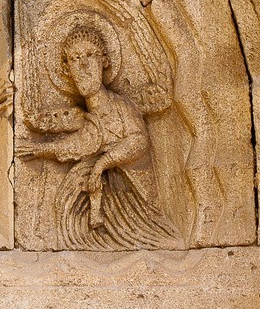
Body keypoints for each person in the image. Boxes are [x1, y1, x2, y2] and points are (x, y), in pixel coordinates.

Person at [15, 23, 180, 249]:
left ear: (104, 61)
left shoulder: (121, 106)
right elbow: (79, 144)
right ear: (66, 70)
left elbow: (138, 141)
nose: (83, 66)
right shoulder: (85, 117)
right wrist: (37, 150)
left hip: (134, 199)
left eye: (90, 55)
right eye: (75, 59)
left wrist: (103, 162)